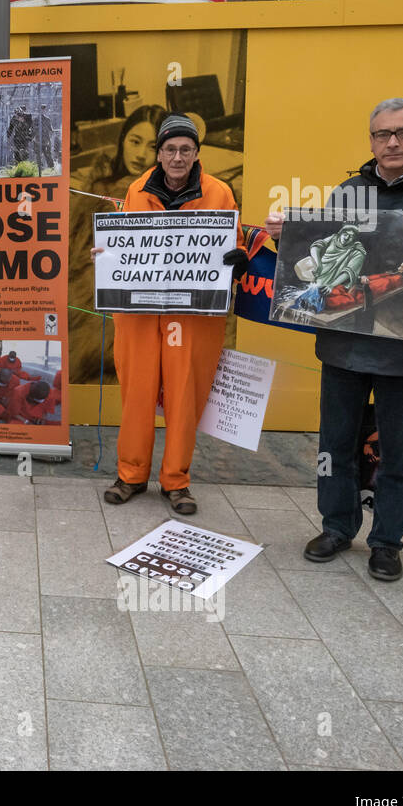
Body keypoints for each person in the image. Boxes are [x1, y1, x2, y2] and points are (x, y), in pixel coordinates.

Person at [265, 97, 403, 582]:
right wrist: (282, 239)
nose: (392, 142)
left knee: (400, 452)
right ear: (371, 140)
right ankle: (336, 526)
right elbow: (313, 265)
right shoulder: (348, 192)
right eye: (382, 134)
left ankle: (387, 542)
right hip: (345, 348)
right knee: (336, 444)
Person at [94, 113, 247, 515]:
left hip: (193, 313)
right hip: (140, 313)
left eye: (185, 149)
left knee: (185, 395)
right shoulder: (136, 189)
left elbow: (235, 240)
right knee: (137, 394)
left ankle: (176, 482)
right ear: (159, 154)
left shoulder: (219, 192)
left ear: (197, 153)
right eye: (170, 149)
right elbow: (124, 245)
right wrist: (106, 253)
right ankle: (130, 475)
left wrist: (239, 254)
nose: (177, 157)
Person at [69, 104, 168, 385]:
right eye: (134, 141)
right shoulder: (97, 190)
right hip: (97, 292)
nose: (140, 154)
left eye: (152, 146)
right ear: (122, 139)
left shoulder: (169, 196)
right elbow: (74, 254)